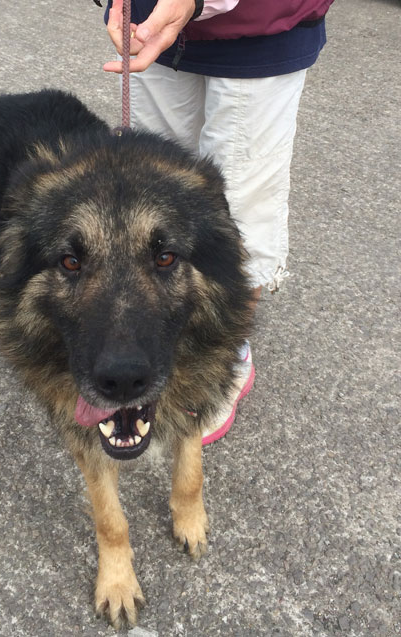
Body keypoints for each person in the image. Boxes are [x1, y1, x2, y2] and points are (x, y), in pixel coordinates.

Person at [97, 0, 334, 442]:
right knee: (151, 206)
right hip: (154, 25)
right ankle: (165, 335)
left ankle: (229, 354)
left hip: (260, 27)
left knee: (241, 214)